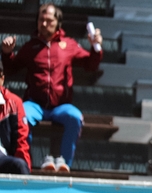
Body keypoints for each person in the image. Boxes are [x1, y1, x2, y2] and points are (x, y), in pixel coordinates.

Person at [1, 2, 103, 173]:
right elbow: (10, 69)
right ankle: (26, 165)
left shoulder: (68, 45)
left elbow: (90, 65)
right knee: (22, 114)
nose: (44, 23)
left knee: (75, 117)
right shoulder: (30, 47)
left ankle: (64, 165)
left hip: (61, 106)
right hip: (35, 104)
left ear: (58, 23)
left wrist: (95, 47)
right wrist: (7, 53)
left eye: (49, 20)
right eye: (41, 20)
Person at [0, 58, 31, 174]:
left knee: (19, 165)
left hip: (2, 158)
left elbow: (21, 141)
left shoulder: (14, 103)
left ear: (2, 79)